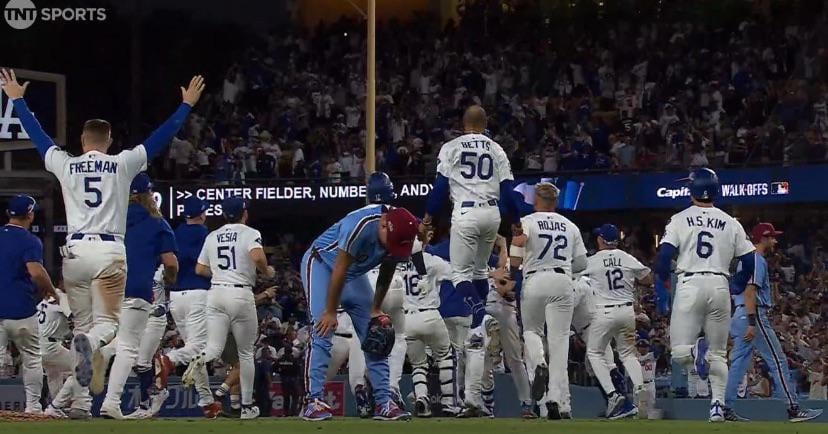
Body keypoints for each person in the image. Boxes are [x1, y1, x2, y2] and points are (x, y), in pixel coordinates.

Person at [0, 69, 204, 401]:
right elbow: (159, 138)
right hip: (109, 252)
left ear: (83, 142)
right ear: (108, 142)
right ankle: (91, 347)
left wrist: (17, 100)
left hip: (75, 254)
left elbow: (38, 136)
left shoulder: (66, 163)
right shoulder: (123, 163)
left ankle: (79, 404)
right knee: (107, 326)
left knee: (81, 326)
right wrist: (185, 105)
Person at [421, 105, 519, 416]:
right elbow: (508, 191)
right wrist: (514, 222)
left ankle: (479, 310)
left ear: (464, 124)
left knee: (459, 273)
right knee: (478, 273)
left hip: (464, 211)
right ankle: (480, 320)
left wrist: (427, 217)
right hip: (492, 213)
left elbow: (439, 190)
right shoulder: (497, 148)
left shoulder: (451, 146)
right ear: (485, 124)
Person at [654, 168, 756, 422]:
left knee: (679, 352)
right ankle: (717, 407)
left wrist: (663, 286)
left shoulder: (679, 219)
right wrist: (738, 283)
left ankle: (695, 354)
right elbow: (749, 258)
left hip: (690, 284)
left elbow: (664, 256)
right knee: (719, 353)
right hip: (720, 285)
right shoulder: (731, 221)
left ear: (692, 190)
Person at [301, 205, 418, 422]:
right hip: (322, 264)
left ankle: (384, 402)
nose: (393, 248)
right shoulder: (359, 225)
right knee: (322, 330)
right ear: (383, 223)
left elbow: (387, 271)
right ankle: (312, 401)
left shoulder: (401, 228)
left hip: (352, 274)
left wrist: (375, 308)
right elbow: (339, 269)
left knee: (375, 333)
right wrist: (330, 311)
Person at [182, 196, 276, 420]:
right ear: (244, 213)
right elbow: (257, 256)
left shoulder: (212, 235)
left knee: (214, 347)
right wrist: (267, 271)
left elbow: (200, 269)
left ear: (225, 214)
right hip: (240, 292)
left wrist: (222, 275)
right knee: (245, 353)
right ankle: (245, 407)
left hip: (216, 293)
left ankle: (199, 360)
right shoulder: (249, 233)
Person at [723, 223, 823, 423]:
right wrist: (752, 322)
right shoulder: (756, 259)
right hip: (754, 315)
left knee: (739, 364)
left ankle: (725, 408)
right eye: (772, 237)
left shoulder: (743, 259)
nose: (775, 241)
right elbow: (751, 292)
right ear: (764, 238)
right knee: (777, 361)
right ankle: (793, 409)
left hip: (739, 313)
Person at [99, 173, 178, 420]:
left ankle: (64, 400)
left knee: (108, 341)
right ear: (148, 195)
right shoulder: (157, 223)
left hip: (106, 289)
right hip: (136, 290)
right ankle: (111, 402)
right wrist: (170, 278)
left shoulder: (110, 220)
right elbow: (171, 262)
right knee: (128, 348)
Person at [510, 182, 586, 420]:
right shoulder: (570, 226)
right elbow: (582, 263)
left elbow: (517, 251)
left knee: (531, 331)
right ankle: (558, 400)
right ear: (556, 202)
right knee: (560, 343)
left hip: (534, 279)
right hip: (562, 280)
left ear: (535, 200)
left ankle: (538, 360)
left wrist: (514, 273)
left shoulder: (527, 222)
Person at [582, 224, 652, 419]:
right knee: (628, 354)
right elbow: (648, 278)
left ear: (601, 240)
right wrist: (631, 281)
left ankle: (612, 395)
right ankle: (640, 389)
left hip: (604, 312)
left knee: (594, 353)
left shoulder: (593, 261)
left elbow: (576, 277)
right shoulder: (626, 257)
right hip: (627, 311)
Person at [157, 196, 218, 417]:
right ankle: (169, 360)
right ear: (202, 214)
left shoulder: (174, 232)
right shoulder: (205, 234)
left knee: (194, 348)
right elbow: (206, 266)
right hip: (198, 293)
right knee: (199, 347)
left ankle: (206, 401)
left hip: (176, 296)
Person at [0, 195, 56, 414]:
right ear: (30, 214)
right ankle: (33, 408)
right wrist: (49, 290)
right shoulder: (30, 240)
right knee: (32, 359)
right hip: (21, 310)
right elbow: (35, 272)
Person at [400, 234, 458, 417]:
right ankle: (449, 403)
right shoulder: (432, 261)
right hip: (430, 315)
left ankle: (422, 398)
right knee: (446, 357)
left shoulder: (395, 264)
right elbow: (454, 274)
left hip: (406, 319)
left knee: (418, 365)